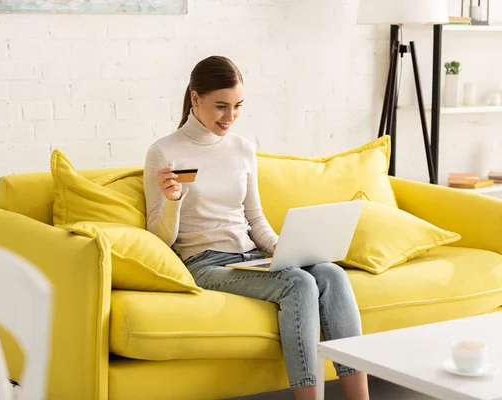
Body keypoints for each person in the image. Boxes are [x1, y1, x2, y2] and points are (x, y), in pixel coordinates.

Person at [143, 55, 369, 400]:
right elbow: (158, 238)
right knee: (299, 284)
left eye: (237, 107)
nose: (229, 117)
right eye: (221, 106)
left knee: (331, 274)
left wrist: (281, 248)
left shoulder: (242, 148)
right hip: (203, 264)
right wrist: (173, 201)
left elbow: (255, 218)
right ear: (194, 99)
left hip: (249, 255)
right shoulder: (164, 152)